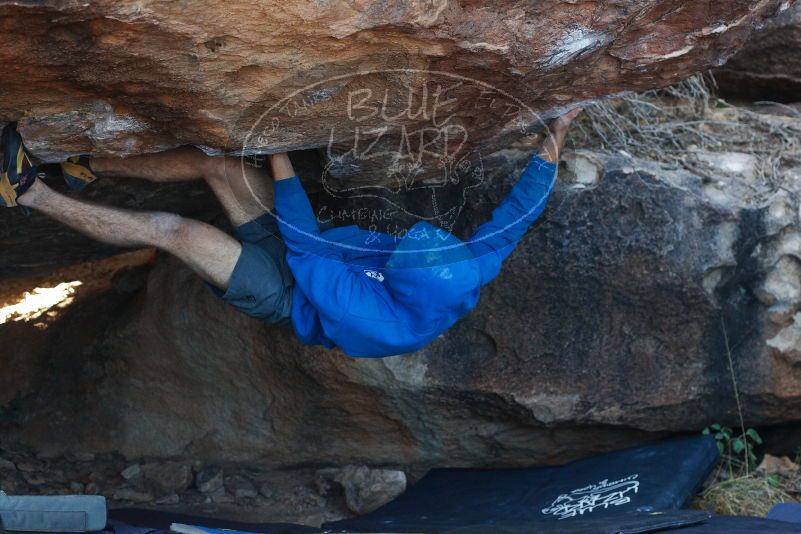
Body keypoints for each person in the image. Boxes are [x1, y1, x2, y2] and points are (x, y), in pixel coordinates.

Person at [1, 109, 582, 357]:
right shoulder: (470, 263)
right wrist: (554, 136)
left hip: (287, 290)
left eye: (401, 248)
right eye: (415, 235)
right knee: (223, 168)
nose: (403, 235)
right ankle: (85, 165)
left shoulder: (376, 319)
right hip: (315, 251)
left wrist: (279, 154)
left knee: (177, 230)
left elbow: (305, 246)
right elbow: (518, 213)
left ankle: (26, 190)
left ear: (396, 283)